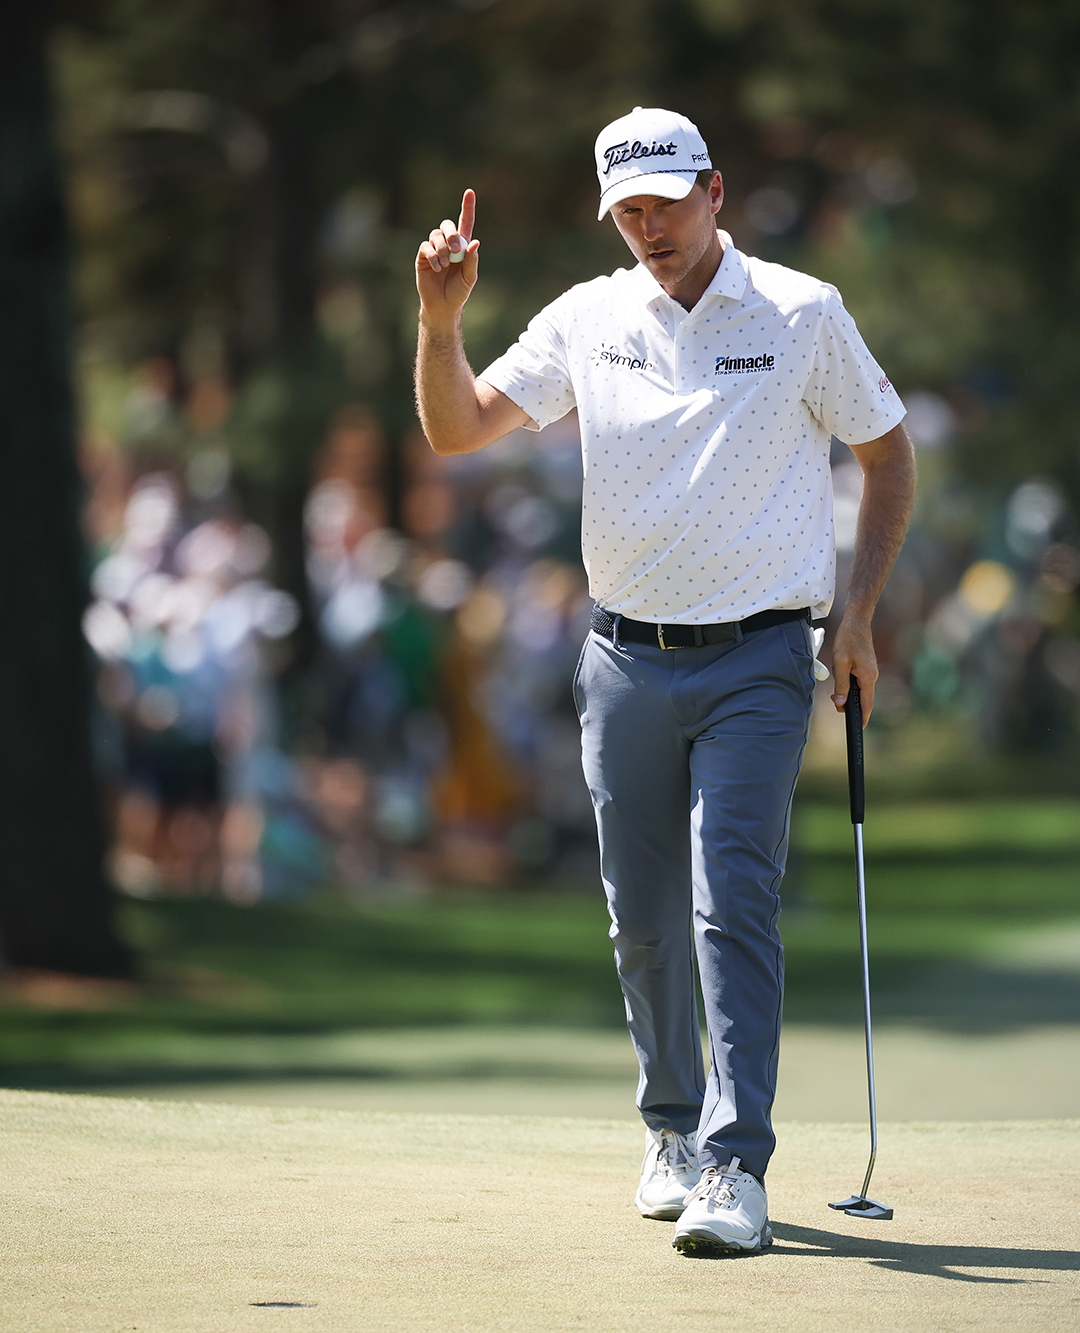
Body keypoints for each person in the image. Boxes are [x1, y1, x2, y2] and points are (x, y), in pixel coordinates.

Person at [412, 106, 915, 1256]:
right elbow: (454, 430)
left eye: (666, 203)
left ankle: (735, 1164)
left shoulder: (800, 311)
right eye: (627, 210)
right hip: (622, 660)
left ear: (714, 193)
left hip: (758, 657)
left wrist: (858, 616)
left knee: (728, 899)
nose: (649, 228)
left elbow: (885, 452)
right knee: (640, 920)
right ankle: (672, 1133)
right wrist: (439, 324)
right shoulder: (587, 316)